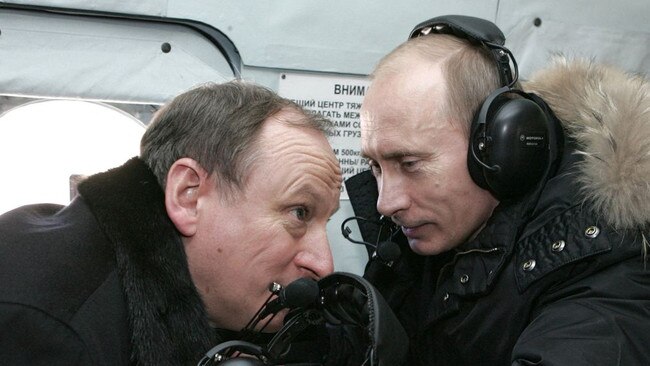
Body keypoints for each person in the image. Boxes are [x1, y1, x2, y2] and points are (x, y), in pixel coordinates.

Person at [345, 15, 650, 365]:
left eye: (410, 163)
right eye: (375, 166)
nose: (385, 202)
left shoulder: (611, 273)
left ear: (501, 147)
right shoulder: (431, 234)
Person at [0, 80, 343, 365]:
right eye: (299, 212)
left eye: (325, 222)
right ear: (188, 196)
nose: (323, 264)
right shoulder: (45, 327)